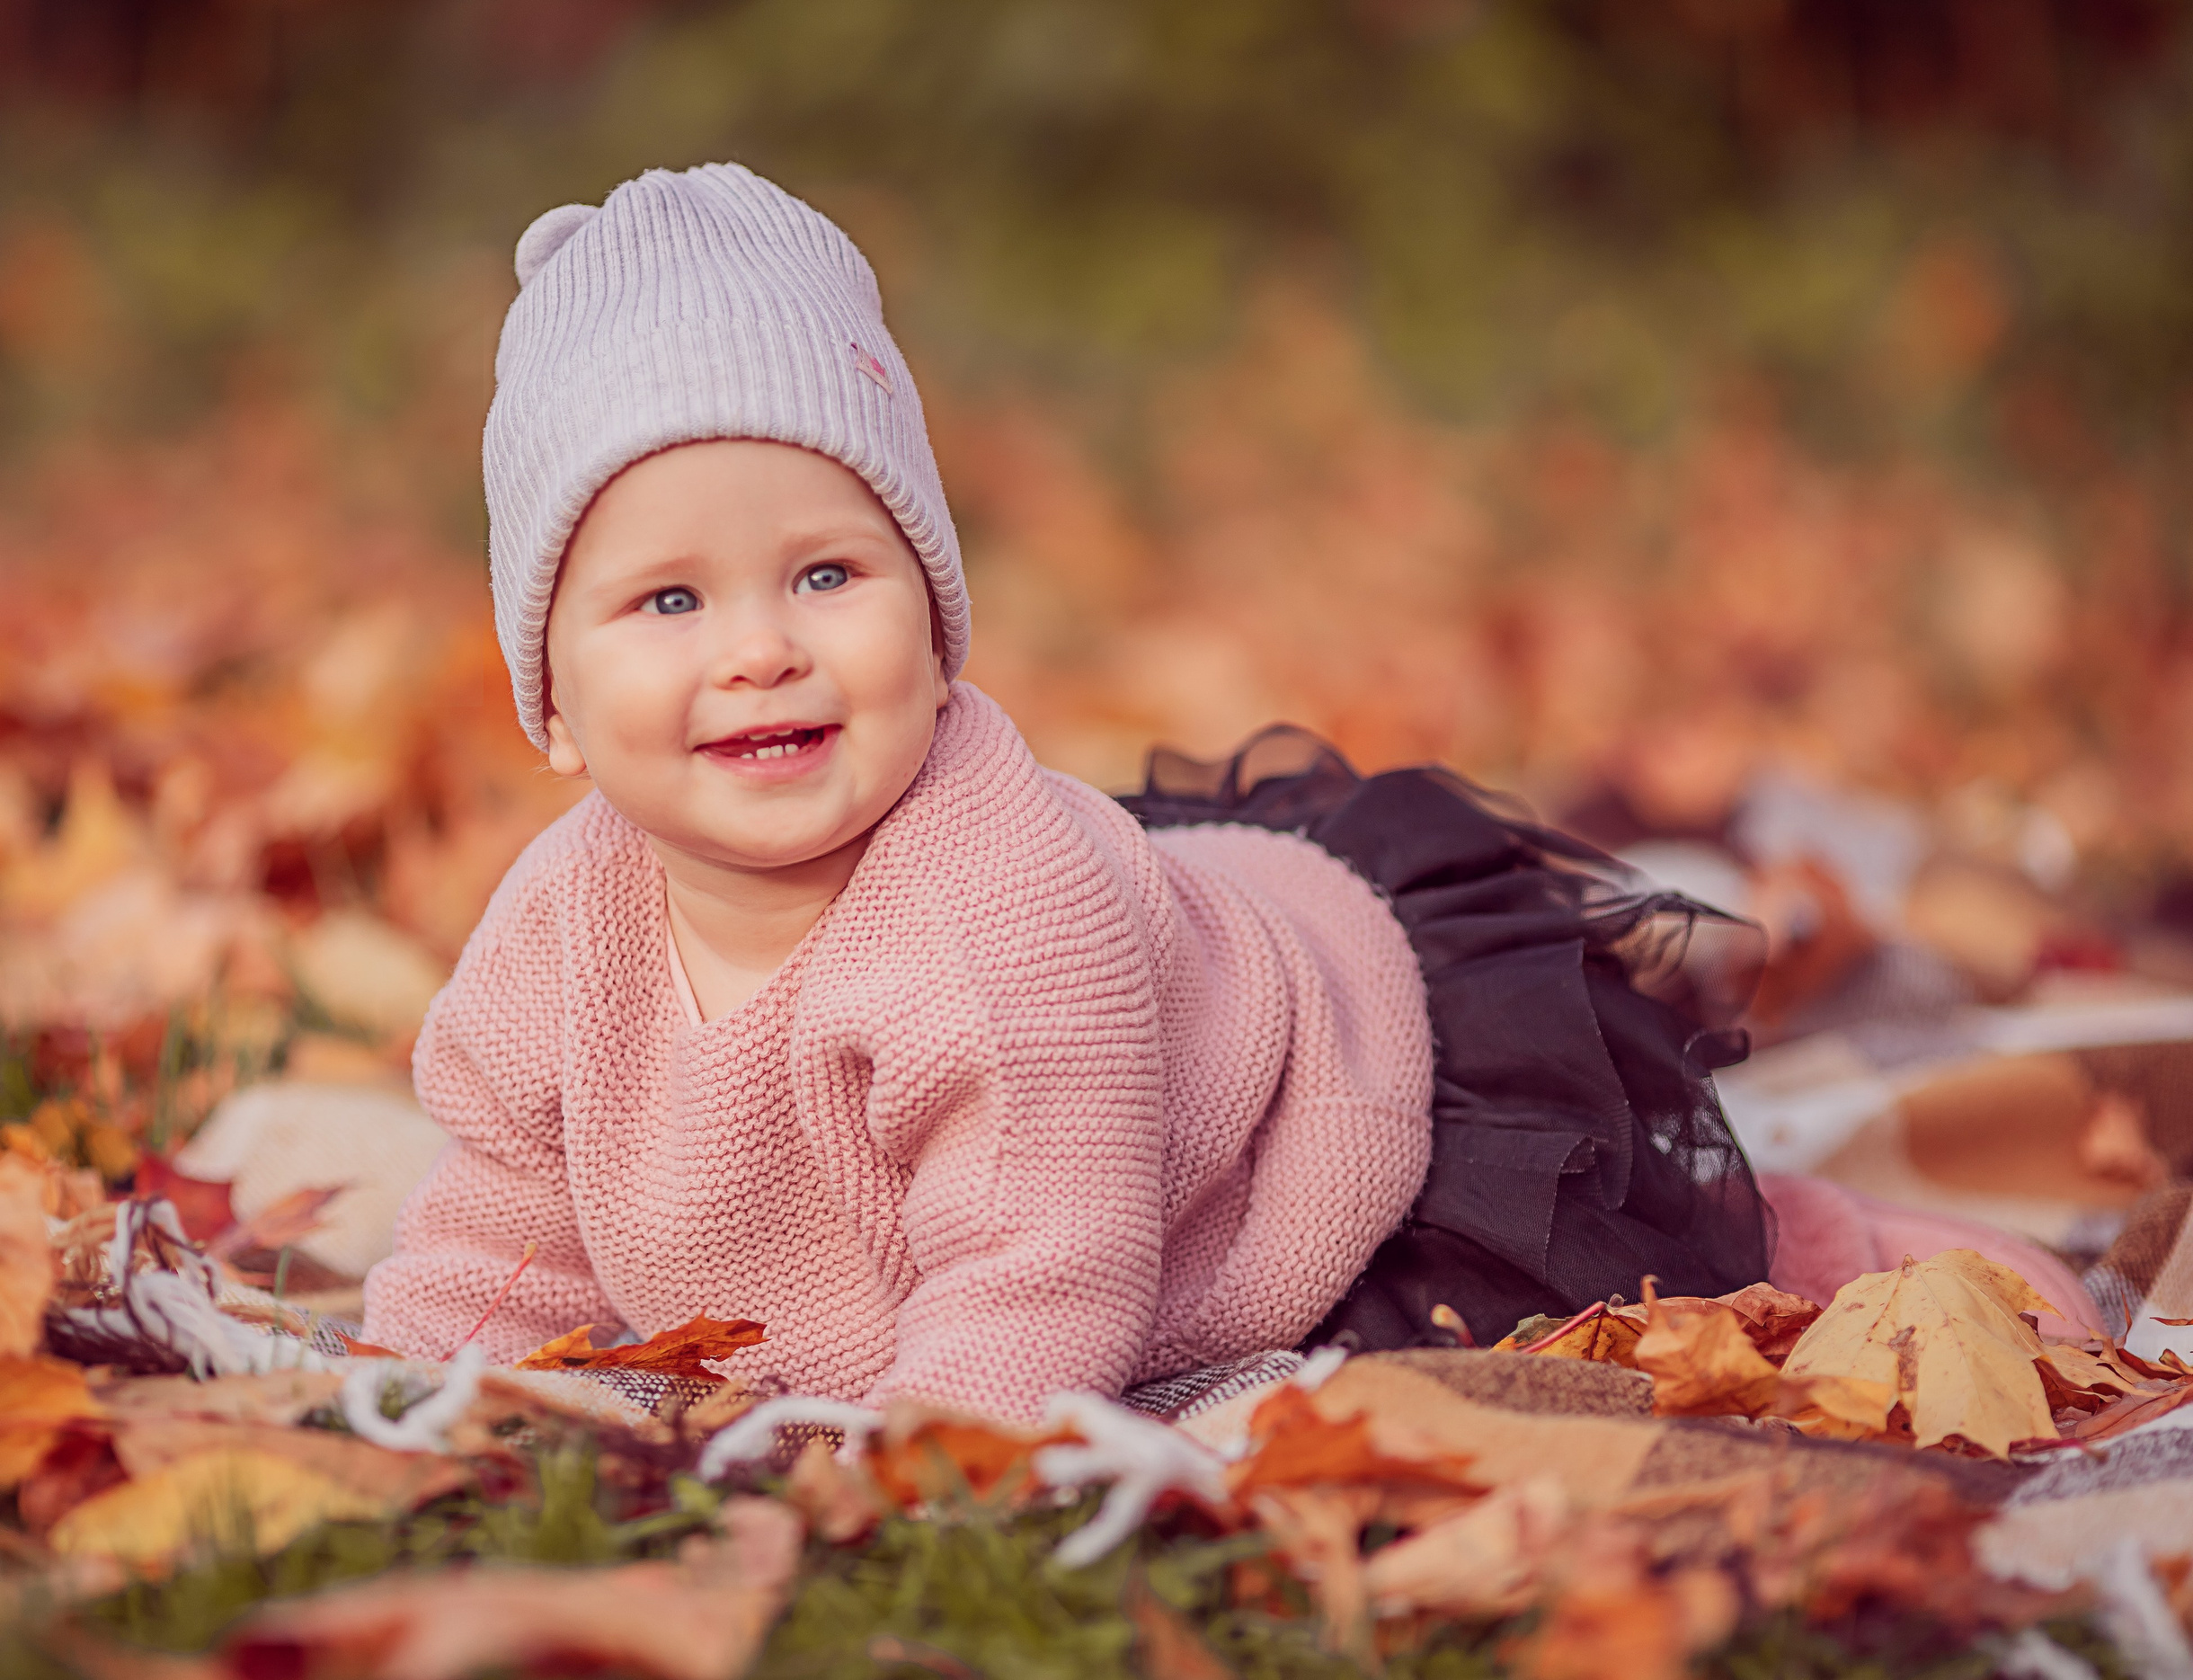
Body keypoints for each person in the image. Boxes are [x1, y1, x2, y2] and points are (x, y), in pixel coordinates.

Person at [360, 164, 2091, 1418]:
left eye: (827, 573)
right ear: (557, 704)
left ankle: (1831, 1231)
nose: (760, 650)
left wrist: (933, 1456)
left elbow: (1045, 1267)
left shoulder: (1001, 910)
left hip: (1311, 1132)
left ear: (939, 620)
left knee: (1616, 1267)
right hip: (1142, 1018)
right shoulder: (556, 935)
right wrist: (420, 1380)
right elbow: (503, 1227)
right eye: (668, 601)